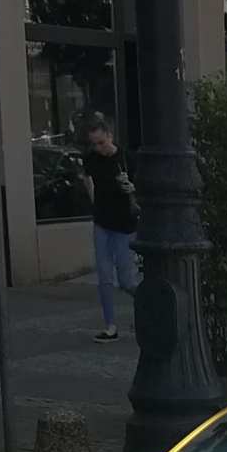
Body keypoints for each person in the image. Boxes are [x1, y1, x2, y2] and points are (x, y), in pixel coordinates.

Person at [79, 116, 137, 343]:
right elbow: (88, 180)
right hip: (102, 223)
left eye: (101, 142)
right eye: (93, 144)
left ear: (110, 136)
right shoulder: (91, 160)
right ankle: (110, 326)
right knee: (104, 277)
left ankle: (148, 302)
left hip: (124, 225)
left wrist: (133, 188)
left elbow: (140, 183)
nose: (98, 148)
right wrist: (93, 200)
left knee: (126, 280)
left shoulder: (125, 157)